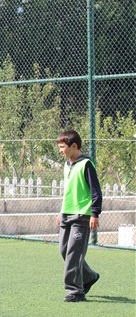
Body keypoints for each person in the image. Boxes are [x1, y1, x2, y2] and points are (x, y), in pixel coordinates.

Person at [56, 129, 102, 302]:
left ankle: (75, 291)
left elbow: (96, 192)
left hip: (82, 215)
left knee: (73, 254)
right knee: (64, 250)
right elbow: (68, 191)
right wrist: (61, 212)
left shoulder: (86, 164)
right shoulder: (67, 165)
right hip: (66, 214)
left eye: (62, 147)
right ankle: (89, 276)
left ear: (74, 146)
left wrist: (95, 213)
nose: (60, 151)